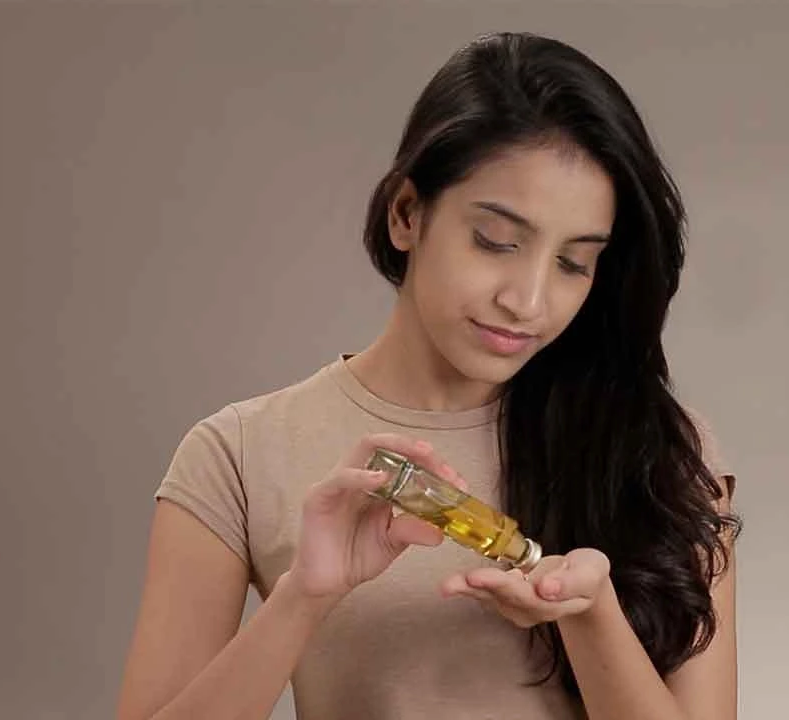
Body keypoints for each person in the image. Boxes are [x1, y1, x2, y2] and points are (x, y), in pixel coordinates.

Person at [117, 31, 741, 720]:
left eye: (574, 263)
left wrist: (593, 619)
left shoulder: (656, 451)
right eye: (497, 242)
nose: (528, 301)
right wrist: (304, 598)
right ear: (407, 214)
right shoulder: (237, 454)